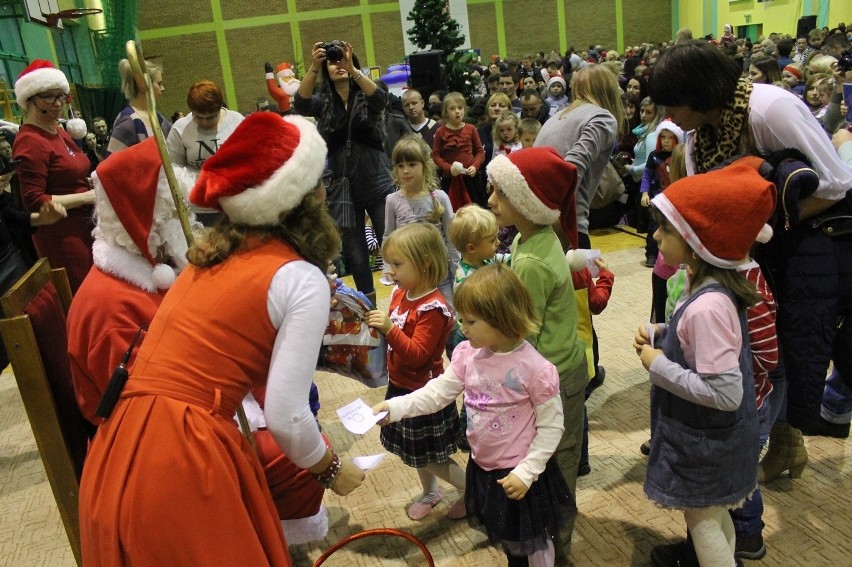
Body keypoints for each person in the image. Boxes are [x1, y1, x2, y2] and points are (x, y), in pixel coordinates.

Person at [78, 112, 365, 566]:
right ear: (310, 194)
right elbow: (289, 416)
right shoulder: (299, 277)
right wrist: (330, 469)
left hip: (124, 443)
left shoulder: (207, 257)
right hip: (183, 452)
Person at [648, 41, 852, 454]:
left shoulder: (769, 110)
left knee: (785, 348)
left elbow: (834, 184)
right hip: (755, 248)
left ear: (699, 94)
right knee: (752, 344)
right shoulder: (696, 136)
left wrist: (764, 227)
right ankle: (778, 441)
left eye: (673, 104)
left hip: (805, 243)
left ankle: (782, 442)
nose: (667, 118)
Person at [373, 263, 574, 567]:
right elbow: (438, 392)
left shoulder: (535, 369)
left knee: (533, 542)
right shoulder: (468, 353)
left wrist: (527, 472)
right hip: (483, 468)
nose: (461, 327)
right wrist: (395, 408)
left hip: (520, 473)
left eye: (470, 320)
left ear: (502, 319)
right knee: (510, 541)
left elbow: (551, 428)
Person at [635, 163, 775, 567]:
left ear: (697, 241)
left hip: (708, 443)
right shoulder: (708, 287)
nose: (656, 236)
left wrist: (658, 365)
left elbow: (725, 392)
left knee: (702, 520)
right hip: (712, 439)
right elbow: (700, 339)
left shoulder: (709, 306)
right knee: (712, 514)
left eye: (666, 229)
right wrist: (662, 333)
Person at [486, 147, 586, 564]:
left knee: (555, 472)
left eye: (501, 194)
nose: (490, 200)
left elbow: (520, 333)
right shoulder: (540, 239)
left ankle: (556, 553)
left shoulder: (530, 263)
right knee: (561, 460)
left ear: (527, 203)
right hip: (566, 367)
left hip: (552, 378)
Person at [364, 222, 464, 521]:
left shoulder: (433, 308)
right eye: (388, 263)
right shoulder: (400, 293)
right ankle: (431, 492)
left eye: (397, 264)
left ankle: (472, 489)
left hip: (424, 393)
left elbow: (418, 355)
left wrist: (390, 329)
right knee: (417, 454)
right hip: (400, 387)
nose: (389, 270)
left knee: (433, 458)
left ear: (425, 265)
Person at [294, 40, 394, 305]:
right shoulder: (324, 101)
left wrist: (353, 70)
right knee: (356, 253)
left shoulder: (367, 91)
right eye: (332, 62)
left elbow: (381, 99)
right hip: (342, 186)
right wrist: (314, 67)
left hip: (377, 181)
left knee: (392, 243)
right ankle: (367, 308)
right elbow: (300, 104)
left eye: (342, 60)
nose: (337, 65)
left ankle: (403, 301)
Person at [12, 60, 95, 292]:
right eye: (49, 97)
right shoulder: (30, 140)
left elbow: (71, 172)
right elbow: (34, 201)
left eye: (62, 96)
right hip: (62, 235)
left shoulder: (57, 130)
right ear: (30, 100)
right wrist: (88, 197)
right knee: (82, 294)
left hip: (82, 225)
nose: (58, 103)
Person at [535, 64, 625, 251]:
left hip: (539, 221)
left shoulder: (557, 117)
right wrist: (560, 217)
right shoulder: (602, 118)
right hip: (567, 224)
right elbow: (574, 164)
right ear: (609, 90)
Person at [384, 134, 459, 307]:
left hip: (439, 275)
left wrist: (456, 271)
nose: (405, 171)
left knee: (448, 316)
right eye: (400, 165)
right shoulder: (392, 200)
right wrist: (389, 268)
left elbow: (451, 238)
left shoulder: (439, 197)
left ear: (425, 165)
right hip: (407, 276)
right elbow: (388, 237)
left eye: (412, 164)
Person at [166, 79, 244, 226]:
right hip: (197, 209)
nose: (205, 122)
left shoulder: (237, 121)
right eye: (198, 117)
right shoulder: (180, 128)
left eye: (210, 117)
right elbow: (172, 170)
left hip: (232, 206)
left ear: (220, 107)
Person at [639, 120, 683, 267]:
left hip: (675, 199)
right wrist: (644, 193)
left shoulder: (680, 156)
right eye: (663, 137)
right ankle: (651, 254)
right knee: (654, 226)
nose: (666, 141)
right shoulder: (654, 156)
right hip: (657, 199)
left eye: (670, 138)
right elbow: (647, 175)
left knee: (674, 228)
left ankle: (671, 254)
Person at [106, 58, 172, 156]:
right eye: (159, 84)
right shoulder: (128, 121)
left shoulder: (158, 117)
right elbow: (110, 164)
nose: (163, 88)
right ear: (143, 85)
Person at [432, 92, 486, 209]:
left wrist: (475, 166)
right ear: (446, 112)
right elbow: (436, 156)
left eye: (460, 108)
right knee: (452, 209)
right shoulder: (441, 132)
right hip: (450, 179)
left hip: (470, 178)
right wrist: (448, 168)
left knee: (475, 207)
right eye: (452, 108)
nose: (457, 111)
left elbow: (479, 152)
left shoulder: (471, 129)